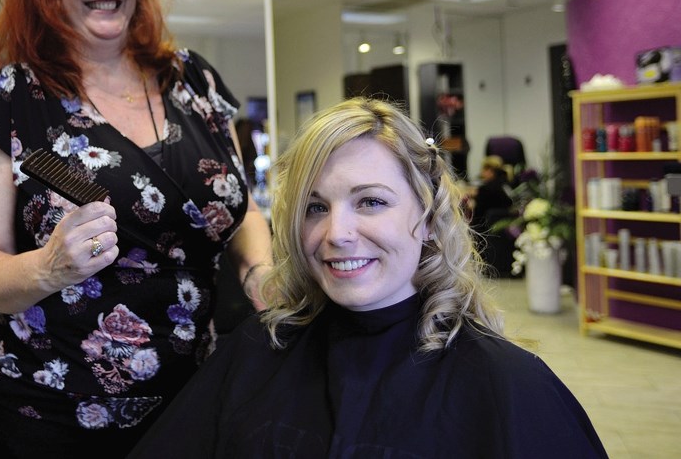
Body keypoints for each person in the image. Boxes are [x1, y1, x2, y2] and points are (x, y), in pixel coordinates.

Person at [0, 0, 272, 458]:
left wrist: (261, 272)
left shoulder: (192, 81)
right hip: (56, 409)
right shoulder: (14, 99)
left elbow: (241, 206)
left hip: (193, 393)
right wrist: (48, 267)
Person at [128, 97, 608, 458]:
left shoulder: (509, 384)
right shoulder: (257, 352)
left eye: (371, 201)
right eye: (316, 207)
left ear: (427, 215)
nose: (336, 234)